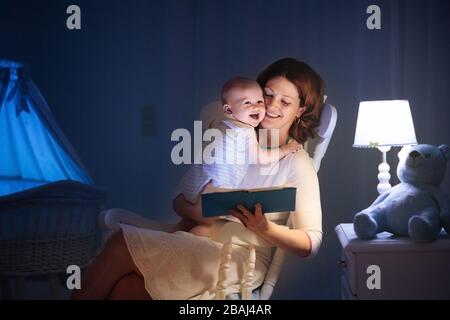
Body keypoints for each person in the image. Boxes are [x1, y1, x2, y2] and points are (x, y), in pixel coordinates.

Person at [71, 57, 325, 300]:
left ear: (300, 110)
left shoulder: (296, 162)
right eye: (268, 94)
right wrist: (202, 212)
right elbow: (180, 201)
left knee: (121, 243)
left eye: (285, 101)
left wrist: (265, 227)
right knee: (127, 290)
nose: (271, 106)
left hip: (237, 258)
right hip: (195, 239)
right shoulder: (232, 140)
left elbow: (310, 243)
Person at [173, 76, 301, 236]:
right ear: (228, 110)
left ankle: (174, 240)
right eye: (247, 103)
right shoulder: (245, 132)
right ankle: (188, 246)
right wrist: (284, 149)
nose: (256, 107)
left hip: (190, 191)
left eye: (260, 102)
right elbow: (260, 157)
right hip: (211, 195)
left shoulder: (221, 124)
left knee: (188, 224)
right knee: (205, 228)